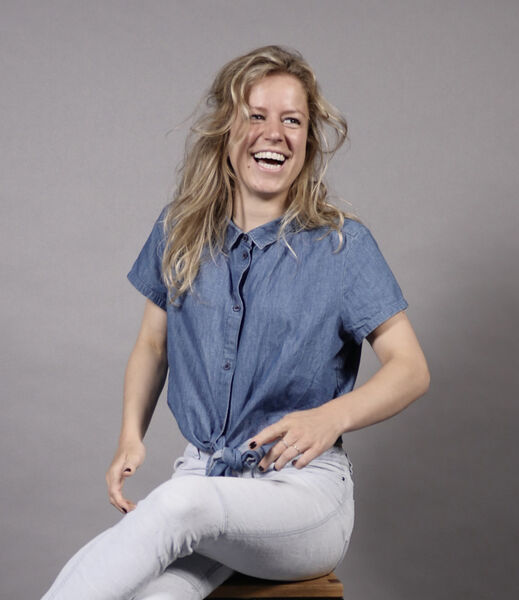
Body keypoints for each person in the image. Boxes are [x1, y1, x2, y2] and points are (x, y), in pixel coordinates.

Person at [41, 45, 430, 600]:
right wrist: (130, 436)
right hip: (205, 478)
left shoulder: (342, 245)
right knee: (158, 592)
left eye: (291, 120)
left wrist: (329, 418)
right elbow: (153, 345)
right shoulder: (179, 230)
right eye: (256, 115)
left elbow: (411, 369)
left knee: (176, 504)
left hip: (302, 493)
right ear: (227, 130)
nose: (274, 133)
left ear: (308, 141)